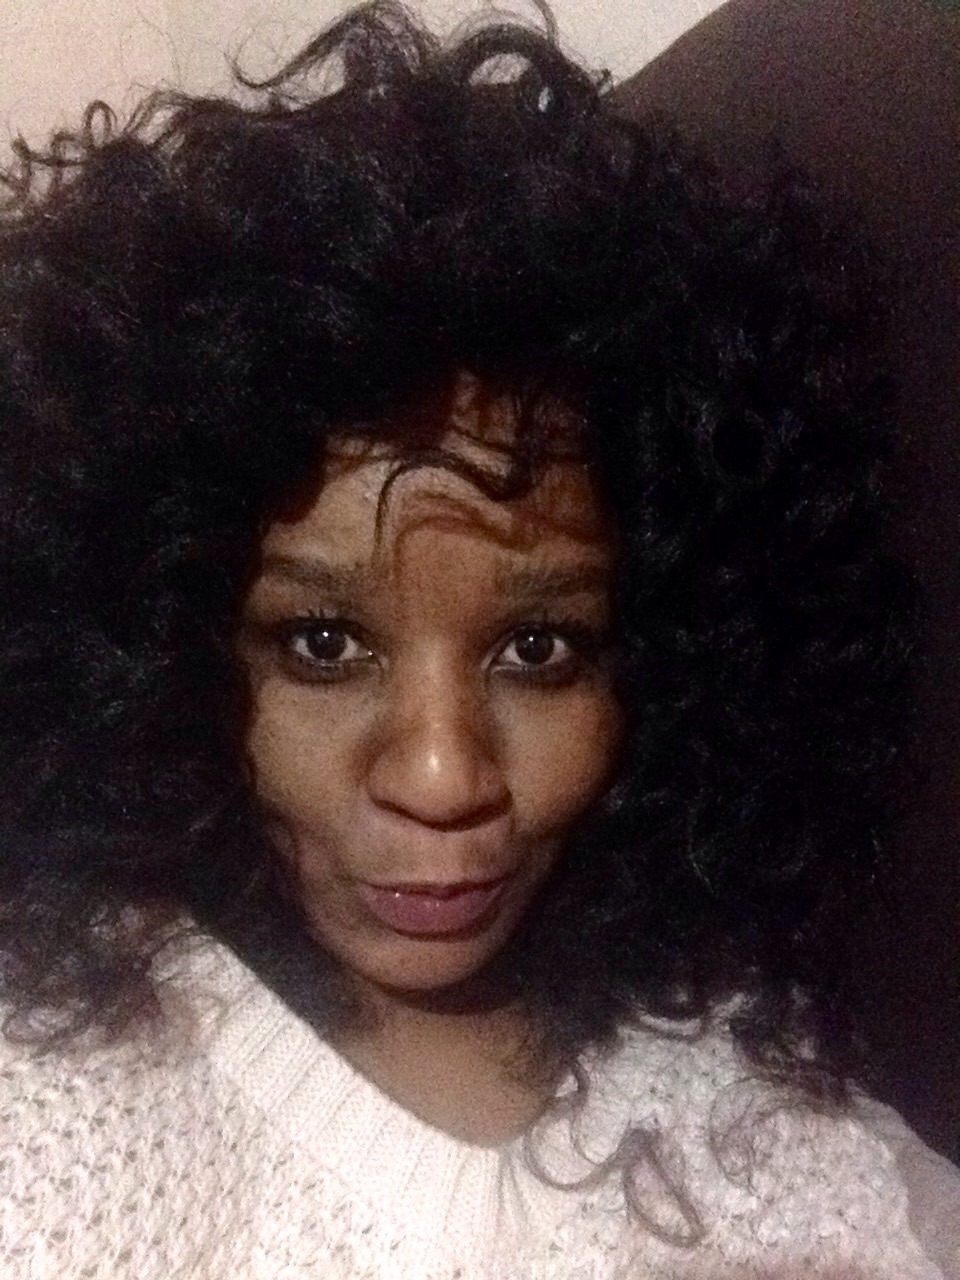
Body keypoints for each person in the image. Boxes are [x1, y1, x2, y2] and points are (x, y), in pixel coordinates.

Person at [0, 2, 957, 1276]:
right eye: (324, 642)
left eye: (540, 649)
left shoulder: (780, 1124)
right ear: (160, 644)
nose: (444, 776)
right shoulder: (49, 1097)